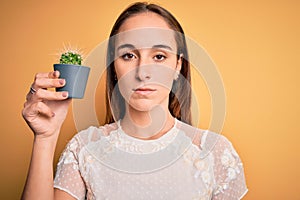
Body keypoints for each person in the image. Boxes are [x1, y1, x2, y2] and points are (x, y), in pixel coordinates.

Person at [21, 2, 248, 200]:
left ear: (178, 64)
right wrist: (45, 138)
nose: (142, 73)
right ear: (114, 66)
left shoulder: (215, 152)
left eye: (159, 56)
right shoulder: (84, 149)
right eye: (128, 55)